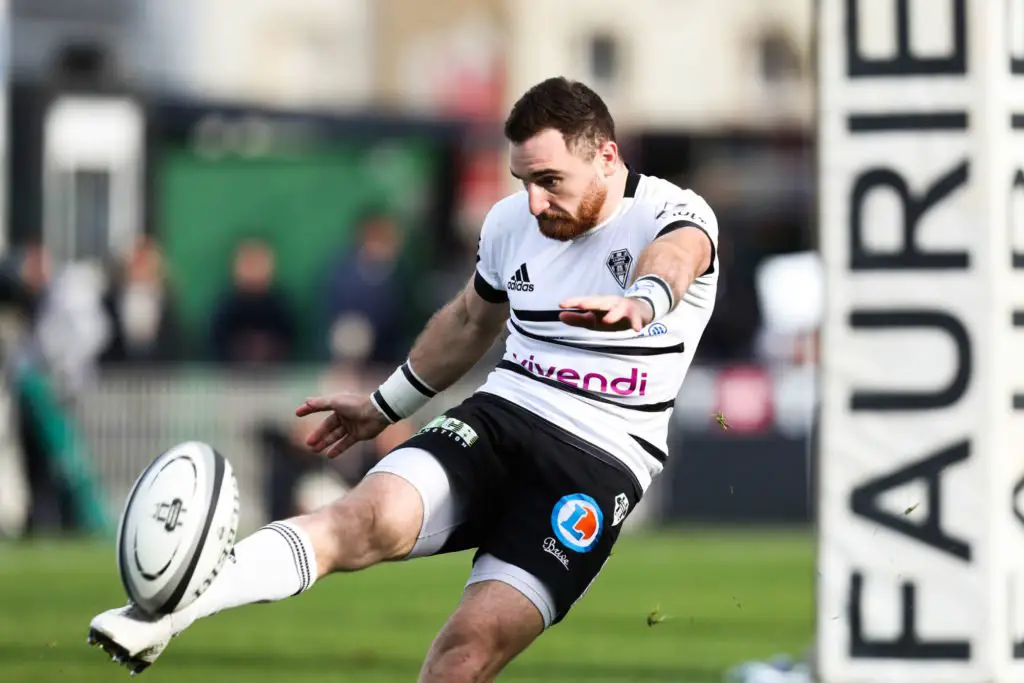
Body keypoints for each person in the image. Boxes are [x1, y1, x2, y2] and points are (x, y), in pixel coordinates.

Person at [87, 76, 720, 681]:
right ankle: (167, 614)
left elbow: (677, 255)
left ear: (606, 157)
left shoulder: (672, 211)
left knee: (465, 653)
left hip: (597, 460)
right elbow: (468, 321)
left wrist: (644, 300)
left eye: (550, 181)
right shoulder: (510, 223)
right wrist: (382, 406)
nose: (534, 201)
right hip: (501, 416)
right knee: (361, 520)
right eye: (523, 181)